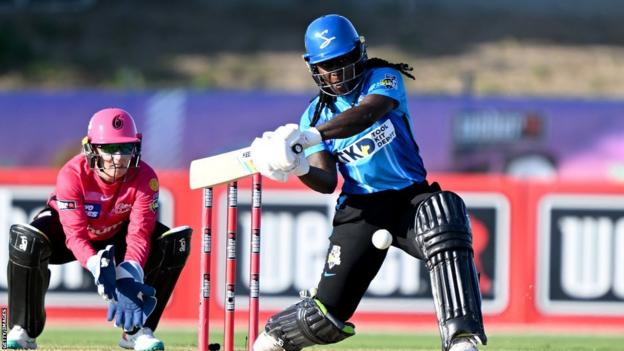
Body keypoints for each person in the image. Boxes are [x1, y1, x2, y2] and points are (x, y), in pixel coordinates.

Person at [249, 14, 487, 351]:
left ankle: (462, 340)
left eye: (344, 61)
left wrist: (308, 136)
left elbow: (367, 114)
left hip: (410, 198)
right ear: (313, 67)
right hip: (360, 210)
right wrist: (299, 165)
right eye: (328, 65)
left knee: (445, 219)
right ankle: (275, 336)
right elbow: (327, 180)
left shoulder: (383, 78)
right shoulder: (314, 115)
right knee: (327, 316)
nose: (338, 73)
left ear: (359, 53)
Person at [5, 108, 192, 351]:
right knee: (26, 240)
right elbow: (75, 235)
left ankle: (137, 330)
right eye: (110, 149)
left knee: (174, 242)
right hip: (69, 236)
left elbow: (139, 234)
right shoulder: (71, 175)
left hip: (116, 235)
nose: (119, 158)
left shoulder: (146, 178)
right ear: (92, 150)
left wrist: (128, 276)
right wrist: (96, 266)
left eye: (125, 148)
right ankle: (22, 330)